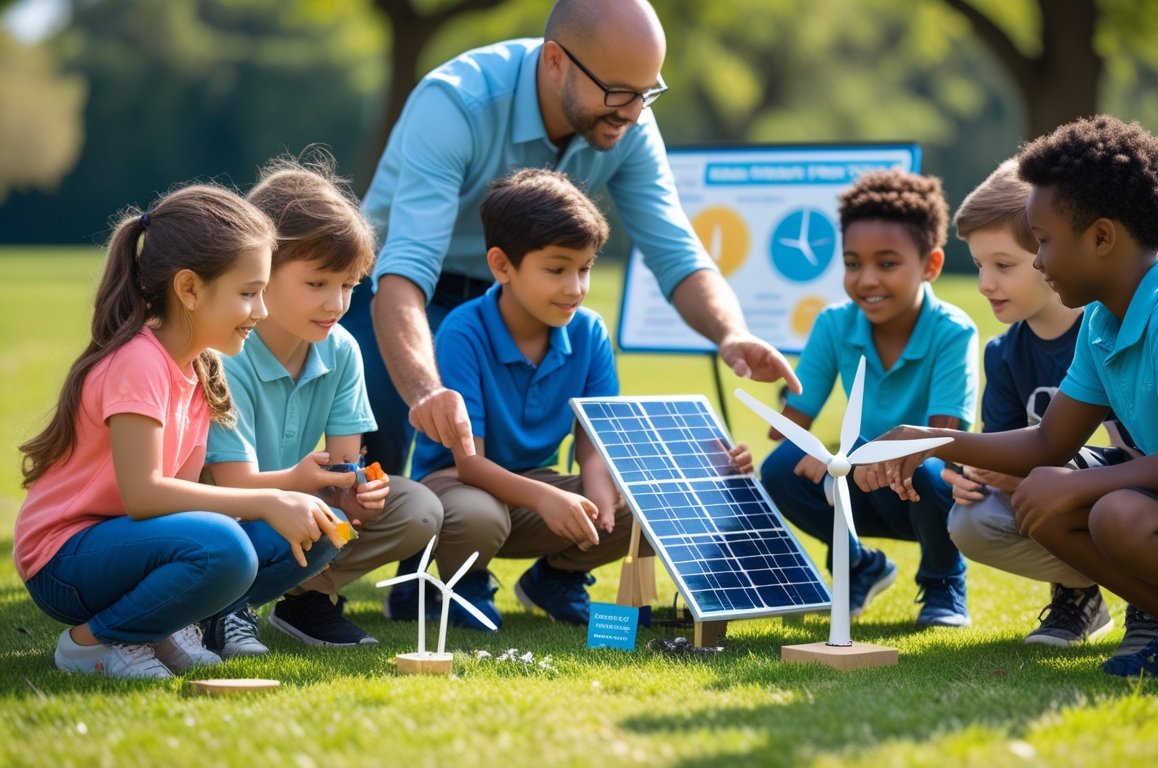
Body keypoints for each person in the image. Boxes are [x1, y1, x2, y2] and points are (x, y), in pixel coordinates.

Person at [359, 0, 797, 620]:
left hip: (527, 295)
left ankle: (516, 576)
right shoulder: (454, 104)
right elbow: (405, 269)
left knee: (594, 490)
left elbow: (675, 249)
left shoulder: (629, 124)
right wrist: (427, 391)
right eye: (619, 91)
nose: (633, 112)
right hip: (397, 287)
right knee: (376, 447)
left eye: (648, 93)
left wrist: (731, 333)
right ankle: (331, 591)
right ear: (557, 61)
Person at [875, 115, 1158, 691]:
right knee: (1044, 493)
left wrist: (1080, 484)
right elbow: (1050, 442)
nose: (1038, 261)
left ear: (1102, 237)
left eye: (1043, 242)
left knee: (1112, 509)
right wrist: (929, 440)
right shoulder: (1100, 321)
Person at [14, 185, 347, 679]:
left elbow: (185, 497)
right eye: (248, 293)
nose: (260, 311)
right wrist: (268, 502)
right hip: (65, 559)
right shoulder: (138, 363)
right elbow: (145, 496)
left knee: (321, 529)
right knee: (225, 545)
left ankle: (164, 625)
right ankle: (93, 642)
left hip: (134, 545)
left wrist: (292, 491)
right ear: (189, 290)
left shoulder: (202, 367)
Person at [411, 169, 752, 630]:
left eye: (585, 269)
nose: (574, 287)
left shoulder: (589, 332)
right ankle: (463, 581)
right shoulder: (462, 331)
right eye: (556, 269)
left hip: (535, 484)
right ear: (501, 265)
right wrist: (549, 498)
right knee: (479, 514)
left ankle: (556, 579)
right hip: (456, 485)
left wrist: (597, 487)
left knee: (645, 503)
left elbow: (595, 437)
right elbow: (471, 465)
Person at [201, 156, 444, 654]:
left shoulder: (343, 349)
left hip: (293, 504)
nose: (336, 303)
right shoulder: (225, 352)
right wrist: (307, 485)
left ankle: (308, 598)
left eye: (349, 285)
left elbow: (344, 466)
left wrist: (357, 492)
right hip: (224, 514)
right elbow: (233, 485)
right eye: (317, 284)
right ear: (263, 270)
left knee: (417, 508)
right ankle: (219, 606)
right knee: (249, 525)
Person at [946, 158, 1158, 651]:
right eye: (980, 265)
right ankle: (1080, 594)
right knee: (972, 518)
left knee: (1099, 496)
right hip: (1073, 505)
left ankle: (1157, 599)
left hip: (1142, 501)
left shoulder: (1111, 333)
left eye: (1003, 265)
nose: (985, 283)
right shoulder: (1003, 354)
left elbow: (1139, 464)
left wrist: (1040, 475)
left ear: (1051, 253)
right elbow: (1001, 451)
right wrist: (974, 470)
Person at [759, 168, 978, 627]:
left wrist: (850, 459)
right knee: (778, 469)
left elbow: (941, 438)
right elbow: (789, 425)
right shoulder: (833, 324)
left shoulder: (954, 331)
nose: (867, 280)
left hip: (923, 487)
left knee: (935, 474)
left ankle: (943, 581)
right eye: (853, 263)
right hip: (860, 490)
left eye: (887, 263)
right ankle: (859, 562)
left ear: (930, 266)